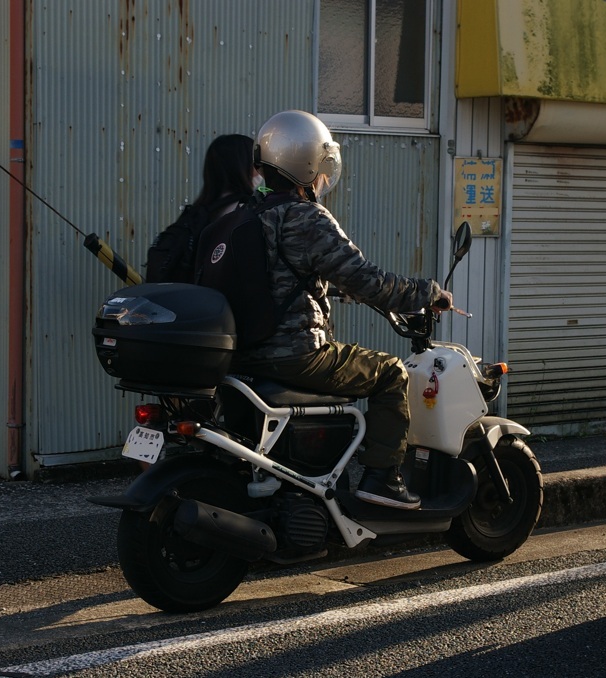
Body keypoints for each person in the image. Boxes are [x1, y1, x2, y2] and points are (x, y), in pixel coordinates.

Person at [233, 110, 453, 510]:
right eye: (321, 168)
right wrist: (426, 292)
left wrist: (329, 288)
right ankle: (381, 478)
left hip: (247, 353)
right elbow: (367, 279)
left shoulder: (250, 212)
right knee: (390, 373)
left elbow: (280, 277)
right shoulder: (307, 218)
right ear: (308, 165)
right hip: (296, 353)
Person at [146, 133, 260, 283]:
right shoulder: (242, 212)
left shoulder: (196, 213)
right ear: (242, 166)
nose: (260, 170)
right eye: (256, 164)